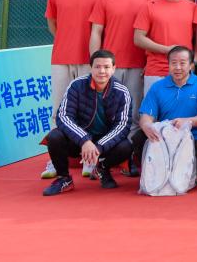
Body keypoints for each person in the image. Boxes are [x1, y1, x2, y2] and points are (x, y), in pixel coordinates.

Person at [42, 0, 107, 179]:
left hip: (89, 61)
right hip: (61, 59)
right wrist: (65, 41)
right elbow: (52, 24)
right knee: (58, 109)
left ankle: (89, 159)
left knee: (89, 111)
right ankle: (54, 159)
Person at [42, 49, 132, 195]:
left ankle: (102, 168)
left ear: (114, 69)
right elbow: (63, 116)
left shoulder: (122, 92)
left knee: (126, 147)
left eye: (106, 67)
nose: (102, 71)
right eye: (97, 67)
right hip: (78, 140)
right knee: (54, 136)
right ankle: (64, 178)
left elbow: (122, 126)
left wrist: (99, 147)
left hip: (104, 142)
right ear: (91, 68)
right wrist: (84, 140)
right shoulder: (76, 85)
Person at [131, 46, 197, 179]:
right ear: (168, 64)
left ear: (191, 65)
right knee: (139, 137)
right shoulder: (158, 86)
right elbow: (146, 114)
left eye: (182, 63)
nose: (177, 67)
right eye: (173, 63)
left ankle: (177, 168)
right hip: (164, 137)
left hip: (195, 137)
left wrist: (187, 121)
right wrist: (146, 125)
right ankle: (161, 168)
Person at [89, 0, 149, 134]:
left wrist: (149, 62)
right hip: (110, 66)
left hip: (138, 65)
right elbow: (96, 32)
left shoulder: (149, 0)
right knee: (107, 111)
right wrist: (95, 61)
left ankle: (130, 149)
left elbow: (153, 35)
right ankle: (107, 148)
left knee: (134, 112)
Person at [133, 0, 195, 96]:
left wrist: (195, 61)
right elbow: (138, 38)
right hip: (156, 70)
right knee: (153, 108)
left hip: (184, 70)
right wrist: (167, 50)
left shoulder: (193, 8)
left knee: (183, 108)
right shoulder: (149, 6)